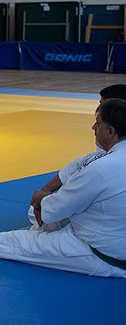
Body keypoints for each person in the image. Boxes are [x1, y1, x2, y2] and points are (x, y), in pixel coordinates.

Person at [0, 98, 126, 277]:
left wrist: (40, 198)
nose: (93, 128)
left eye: (98, 124)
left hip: (96, 255)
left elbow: (53, 211)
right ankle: (40, 230)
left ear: (111, 131)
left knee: (12, 242)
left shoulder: (100, 169)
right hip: (109, 238)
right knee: (40, 215)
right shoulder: (103, 160)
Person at [25, 83, 126, 230]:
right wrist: (44, 194)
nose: (100, 109)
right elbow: (77, 165)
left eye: (103, 104)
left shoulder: (105, 158)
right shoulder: (109, 144)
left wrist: (41, 201)